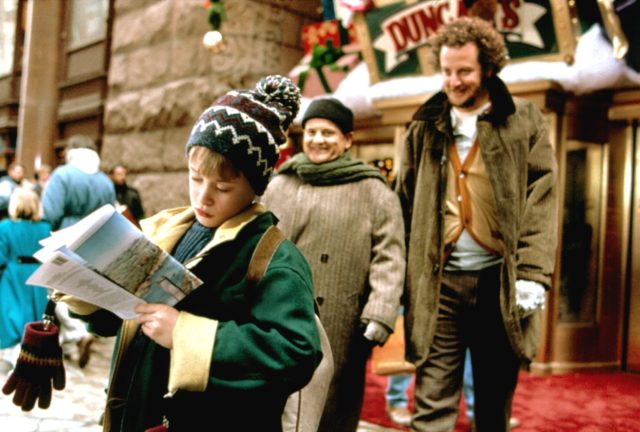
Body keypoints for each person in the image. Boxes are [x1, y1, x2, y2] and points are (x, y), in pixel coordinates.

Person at [55, 75, 322, 431]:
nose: (203, 197)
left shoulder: (274, 258)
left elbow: (297, 352)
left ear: (255, 187)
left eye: (222, 187)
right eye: (195, 178)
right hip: (136, 415)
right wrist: (86, 287)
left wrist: (185, 333)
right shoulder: (164, 230)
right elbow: (118, 321)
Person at [394, 17, 558, 432]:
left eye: (464, 71)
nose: (454, 80)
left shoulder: (523, 119)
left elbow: (543, 197)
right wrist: (399, 278)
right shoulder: (423, 123)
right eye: (447, 71)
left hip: (498, 283)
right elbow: (404, 202)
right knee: (430, 403)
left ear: (488, 67)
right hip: (439, 284)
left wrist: (533, 274)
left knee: (492, 406)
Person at [262, 97, 406, 432]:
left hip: (342, 320)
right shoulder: (281, 183)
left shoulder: (374, 190)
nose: (318, 139)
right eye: (312, 131)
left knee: (333, 405)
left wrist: (380, 311)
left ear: (347, 140)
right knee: (276, 401)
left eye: (328, 132)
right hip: (278, 313)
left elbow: (390, 255)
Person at [42, 134, 117, 368]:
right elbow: (112, 213)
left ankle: (76, 333)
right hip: (97, 240)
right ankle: (71, 341)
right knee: (85, 290)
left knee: (60, 289)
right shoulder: (105, 181)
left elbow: (50, 213)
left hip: (68, 236)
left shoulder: (62, 175)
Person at [0, 188, 52, 371]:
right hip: (37, 272)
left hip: (13, 273)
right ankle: (25, 349)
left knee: (11, 311)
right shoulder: (45, 227)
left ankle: (11, 353)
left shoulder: (5, 226)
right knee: (33, 312)